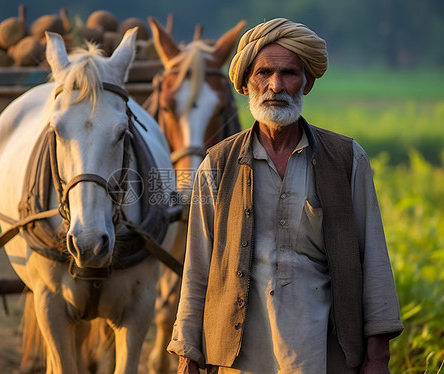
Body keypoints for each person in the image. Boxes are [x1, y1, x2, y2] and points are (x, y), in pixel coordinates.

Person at [166, 18, 403, 374]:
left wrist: (377, 356)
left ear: (306, 81)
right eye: (264, 73)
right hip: (239, 357)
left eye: (289, 73)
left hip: (326, 353)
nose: (276, 86)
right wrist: (188, 354)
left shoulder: (347, 158)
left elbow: (374, 260)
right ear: (246, 83)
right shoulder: (216, 165)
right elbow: (197, 269)